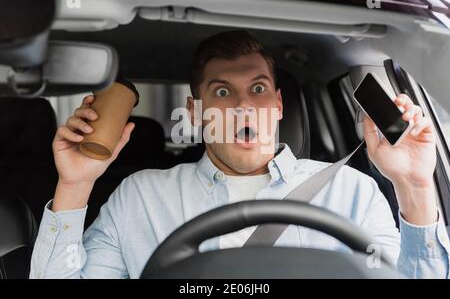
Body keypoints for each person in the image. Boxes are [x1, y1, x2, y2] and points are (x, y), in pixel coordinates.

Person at [31, 30, 449, 279]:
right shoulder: (139, 196)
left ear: (279, 105)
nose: (244, 107)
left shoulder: (351, 190)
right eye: (222, 92)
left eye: (259, 89)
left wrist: (414, 187)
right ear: (195, 112)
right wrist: (76, 183)